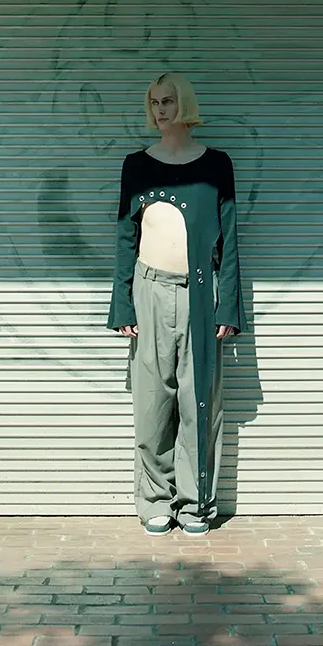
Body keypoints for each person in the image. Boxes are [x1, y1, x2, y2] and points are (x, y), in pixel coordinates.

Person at [107, 73, 246, 537]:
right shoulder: (136, 165)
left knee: (199, 402)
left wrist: (229, 307)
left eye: (167, 101)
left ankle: (195, 504)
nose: (160, 109)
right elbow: (125, 237)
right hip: (148, 291)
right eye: (154, 102)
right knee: (152, 402)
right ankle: (154, 501)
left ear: (183, 103)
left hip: (201, 293)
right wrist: (122, 305)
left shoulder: (216, 165)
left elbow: (229, 241)